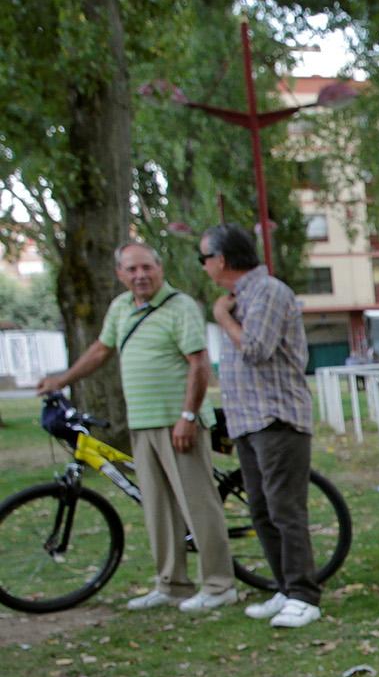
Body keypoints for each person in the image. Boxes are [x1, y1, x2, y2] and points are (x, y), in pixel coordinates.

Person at [37, 241, 237, 613]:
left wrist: (188, 417)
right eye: (131, 269)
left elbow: (198, 364)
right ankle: (172, 583)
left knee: (198, 504)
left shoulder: (180, 307)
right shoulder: (120, 308)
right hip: (142, 423)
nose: (140, 275)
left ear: (160, 268)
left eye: (146, 267)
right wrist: (62, 379)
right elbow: (100, 350)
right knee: (157, 508)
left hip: (179, 422)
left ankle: (219, 584)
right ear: (120, 274)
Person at [202, 224, 323, 628]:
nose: (204, 267)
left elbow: (256, 349)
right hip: (248, 423)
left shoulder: (268, 292)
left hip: (277, 419)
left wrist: (222, 318)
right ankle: (285, 588)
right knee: (261, 510)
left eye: (205, 258)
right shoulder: (241, 298)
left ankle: (305, 595)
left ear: (222, 260)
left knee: (286, 509)